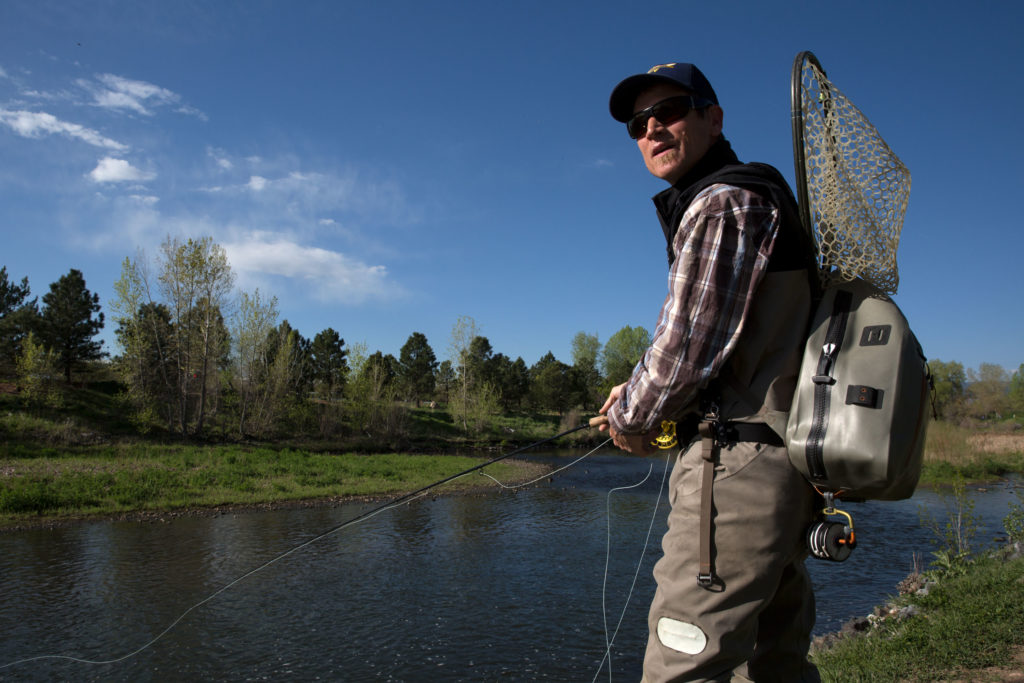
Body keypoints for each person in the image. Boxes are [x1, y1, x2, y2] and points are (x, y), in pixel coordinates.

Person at [598, 62, 821, 682]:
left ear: (712, 117)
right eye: (638, 124)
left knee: (681, 666)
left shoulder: (722, 202)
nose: (651, 129)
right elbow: (716, 344)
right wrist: (639, 389)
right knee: (775, 664)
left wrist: (628, 415)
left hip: (737, 474)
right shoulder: (747, 193)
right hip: (779, 463)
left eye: (668, 111)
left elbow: (684, 354)